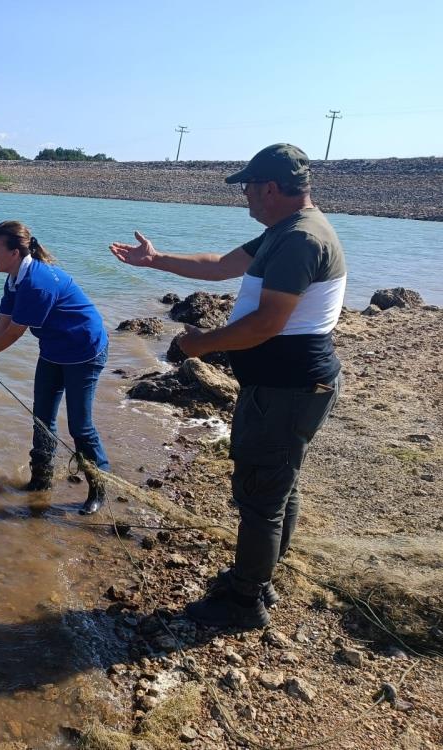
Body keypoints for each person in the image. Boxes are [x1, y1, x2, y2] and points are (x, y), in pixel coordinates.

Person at [110, 144, 346, 629]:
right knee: (276, 486)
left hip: (288, 389)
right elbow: (219, 264)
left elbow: (266, 324)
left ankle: (245, 601)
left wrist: (200, 345)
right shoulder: (285, 232)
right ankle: (259, 576)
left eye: (249, 189)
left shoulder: (302, 240)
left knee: (261, 494)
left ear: (271, 188)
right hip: (283, 387)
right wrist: (155, 261)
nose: (246, 199)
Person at [0, 220, 111, 515]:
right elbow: (1, 324)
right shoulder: (14, 279)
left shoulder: (37, 282)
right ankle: (40, 482)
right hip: (54, 350)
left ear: (14, 252)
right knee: (42, 419)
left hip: (85, 350)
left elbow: (14, 332)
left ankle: (99, 488)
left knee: (80, 425)